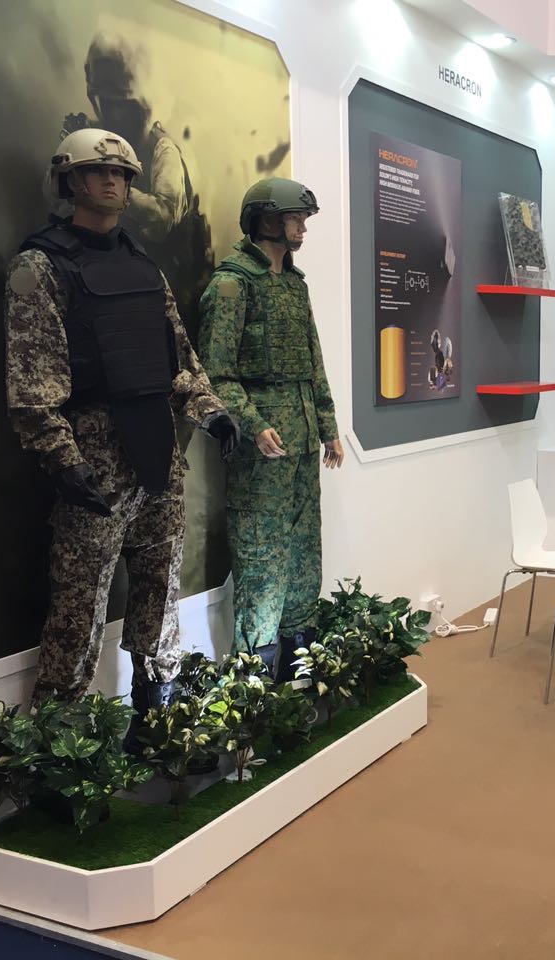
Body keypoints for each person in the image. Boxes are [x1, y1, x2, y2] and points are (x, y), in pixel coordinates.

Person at [3, 128, 238, 714]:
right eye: (97, 171)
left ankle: (158, 708)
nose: (111, 181)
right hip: (93, 458)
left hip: (158, 449)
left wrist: (210, 412)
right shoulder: (39, 267)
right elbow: (32, 383)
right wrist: (62, 458)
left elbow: (176, 359)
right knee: (79, 607)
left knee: (161, 587)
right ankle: (59, 736)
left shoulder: (143, 266)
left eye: (122, 174)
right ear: (70, 181)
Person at [198, 177, 342, 680]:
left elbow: (313, 363)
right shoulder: (232, 285)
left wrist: (328, 426)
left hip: (301, 442)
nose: (302, 227)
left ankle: (299, 662)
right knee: (262, 558)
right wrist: (254, 424)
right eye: (293, 218)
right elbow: (216, 374)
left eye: (302, 218)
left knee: (303, 551)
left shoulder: (294, 285)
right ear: (264, 220)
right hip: (260, 453)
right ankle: (255, 678)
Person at [64, 35, 213, 346]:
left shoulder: (161, 148)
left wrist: (113, 188)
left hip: (166, 285)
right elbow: (56, 201)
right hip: (112, 281)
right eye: (109, 103)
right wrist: (75, 160)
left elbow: (162, 220)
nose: (116, 114)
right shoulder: (95, 139)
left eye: (124, 105)